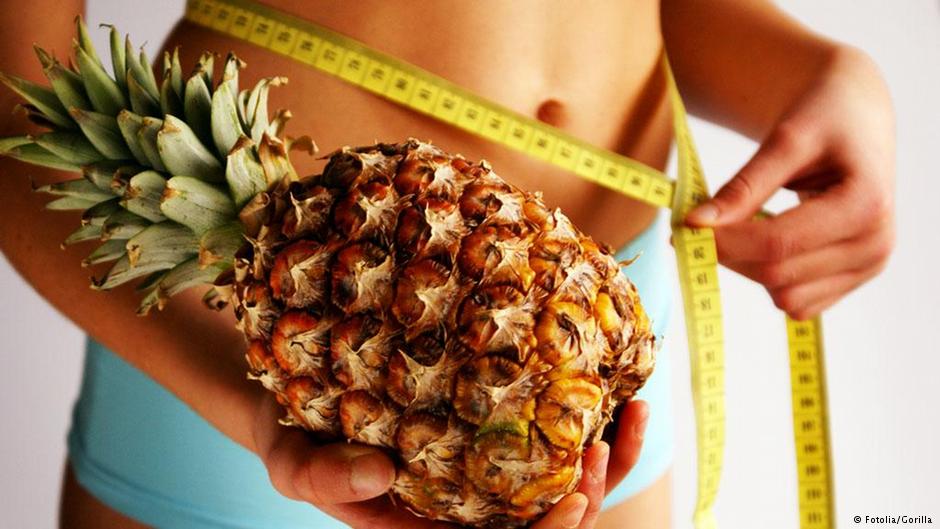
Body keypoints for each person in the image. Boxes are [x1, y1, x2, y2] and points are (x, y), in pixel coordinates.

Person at [0, 1, 895, 528]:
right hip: (238, 360)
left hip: (602, 306)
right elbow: (15, 113)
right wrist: (263, 419)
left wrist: (822, 71)